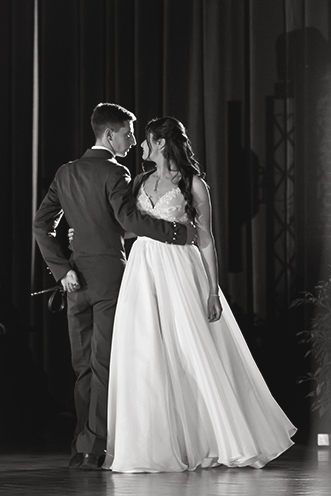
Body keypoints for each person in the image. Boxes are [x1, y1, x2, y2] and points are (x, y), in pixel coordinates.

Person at [98, 116, 297, 472]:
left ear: (160, 142)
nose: (141, 146)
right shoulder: (141, 181)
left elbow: (205, 238)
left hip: (179, 270)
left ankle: (209, 438)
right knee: (145, 352)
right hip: (143, 269)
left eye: (146, 139)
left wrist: (212, 290)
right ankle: (154, 444)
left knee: (189, 351)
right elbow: (133, 229)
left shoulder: (193, 184)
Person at [33, 104, 196, 471]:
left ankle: (82, 447)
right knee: (103, 364)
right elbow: (129, 219)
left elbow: (41, 225)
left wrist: (61, 269)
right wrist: (177, 232)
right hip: (108, 278)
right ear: (110, 135)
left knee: (83, 368)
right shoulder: (114, 172)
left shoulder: (66, 172)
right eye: (127, 133)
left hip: (74, 282)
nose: (133, 140)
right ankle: (94, 448)